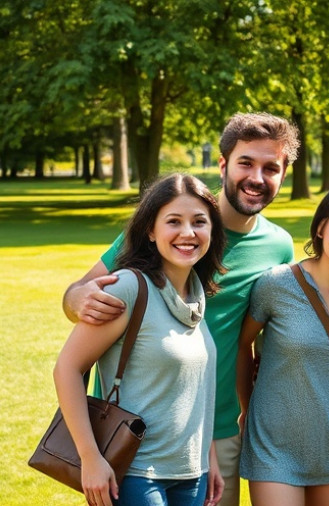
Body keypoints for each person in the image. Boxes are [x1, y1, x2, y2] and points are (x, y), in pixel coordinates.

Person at [62, 112, 301, 506]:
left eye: (271, 168)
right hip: (133, 435)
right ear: (223, 164)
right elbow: (83, 293)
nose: (257, 177)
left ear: (283, 174)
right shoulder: (167, 224)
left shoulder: (279, 247)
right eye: (246, 163)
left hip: (214, 432)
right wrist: (75, 300)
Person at [54, 174, 227, 506]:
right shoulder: (128, 287)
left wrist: (210, 460)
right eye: (173, 221)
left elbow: (194, 390)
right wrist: (90, 458)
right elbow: (67, 368)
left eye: (199, 222)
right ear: (151, 230)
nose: (188, 233)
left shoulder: (195, 294)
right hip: (136, 475)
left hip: (192, 475)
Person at [236, 180, 329, 506]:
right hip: (273, 446)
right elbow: (241, 344)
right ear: (321, 228)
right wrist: (247, 406)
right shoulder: (276, 285)